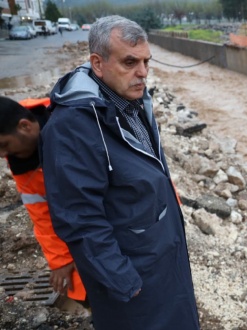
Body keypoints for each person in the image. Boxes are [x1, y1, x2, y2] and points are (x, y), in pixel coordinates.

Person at [40, 15, 200, 330]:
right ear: (97, 63)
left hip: (161, 258)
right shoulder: (73, 128)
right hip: (132, 278)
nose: (142, 72)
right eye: (129, 62)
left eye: (146, 62)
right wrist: (124, 280)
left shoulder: (129, 103)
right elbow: (79, 219)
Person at [0, 96, 87, 303]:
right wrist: (61, 261)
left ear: (25, 126)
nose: (3, 154)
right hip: (85, 223)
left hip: (129, 217)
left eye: (3, 144)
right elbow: (42, 215)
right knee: (79, 287)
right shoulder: (21, 161)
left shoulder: (77, 126)